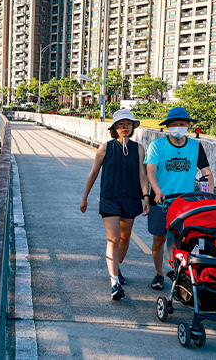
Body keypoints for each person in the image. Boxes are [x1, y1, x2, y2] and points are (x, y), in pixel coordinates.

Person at [80, 109, 149, 301]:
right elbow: (93, 173)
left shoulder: (139, 149)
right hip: (110, 198)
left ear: (133, 127)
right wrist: (85, 197)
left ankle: (116, 268)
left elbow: (143, 176)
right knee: (114, 239)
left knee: (125, 239)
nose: (125, 127)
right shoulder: (105, 148)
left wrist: (146, 197)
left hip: (131, 198)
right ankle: (114, 282)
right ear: (114, 128)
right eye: (121, 124)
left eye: (128, 124)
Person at [144, 107, 214, 290]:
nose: (178, 128)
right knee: (159, 239)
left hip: (186, 204)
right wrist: (157, 191)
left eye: (182, 124)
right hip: (161, 201)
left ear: (188, 125)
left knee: (184, 241)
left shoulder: (195, 146)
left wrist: (209, 197)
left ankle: (180, 274)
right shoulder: (157, 146)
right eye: (174, 124)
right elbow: (150, 170)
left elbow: (206, 172)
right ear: (167, 126)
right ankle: (159, 274)